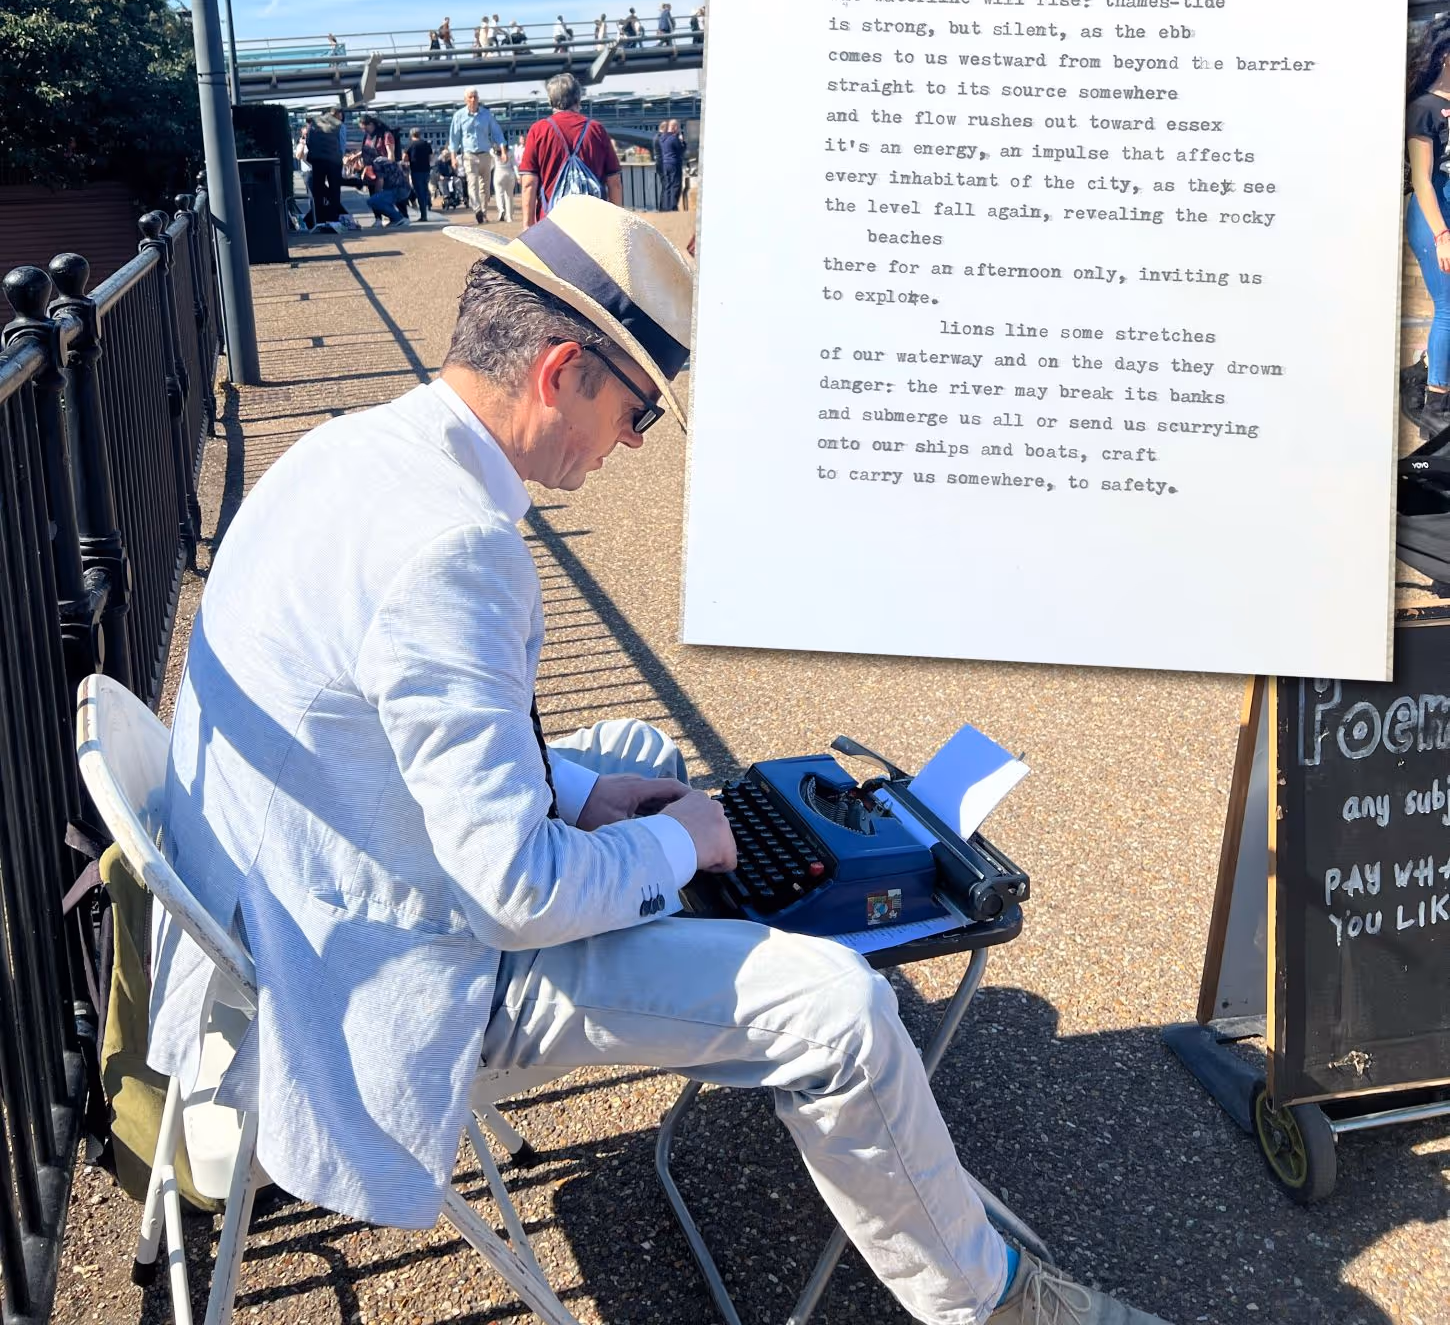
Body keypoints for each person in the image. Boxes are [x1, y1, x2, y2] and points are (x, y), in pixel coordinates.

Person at [146, 195, 1170, 1325]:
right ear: (562, 368)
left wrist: (601, 801)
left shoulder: (351, 451)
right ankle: (996, 1303)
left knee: (642, 761)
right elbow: (513, 891)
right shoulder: (456, 549)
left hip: (287, 904)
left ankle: (724, 928)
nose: (631, 444)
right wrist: (670, 839)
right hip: (382, 973)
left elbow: (401, 739)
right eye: (636, 410)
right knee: (835, 1007)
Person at [1407, 17, 1450, 431]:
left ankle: (1423, 368)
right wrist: (1442, 235)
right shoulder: (1423, 107)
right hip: (1433, 215)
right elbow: (1422, 179)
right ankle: (1435, 407)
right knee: (1448, 308)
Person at [518, 71, 622, 227]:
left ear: (550, 100)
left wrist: (528, 226)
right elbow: (614, 182)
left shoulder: (538, 130)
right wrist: (616, 225)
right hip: (594, 224)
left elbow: (529, 184)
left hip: (552, 224)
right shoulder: (596, 129)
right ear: (578, 98)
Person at [448, 87, 507, 225]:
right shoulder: (459, 116)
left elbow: (497, 133)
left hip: (485, 154)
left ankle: (484, 212)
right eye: (470, 97)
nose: (473, 99)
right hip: (469, 155)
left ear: (478, 98)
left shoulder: (486, 115)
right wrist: (453, 157)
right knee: (472, 183)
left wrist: (503, 150)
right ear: (465, 99)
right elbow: (454, 138)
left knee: (485, 187)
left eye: (475, 96)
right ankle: (477, 209)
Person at [303, 110, 345, 233]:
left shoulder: (313, 125)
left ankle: (320, 222)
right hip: (334, 162)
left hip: (318, 161)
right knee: (334, 192)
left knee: (318, 193)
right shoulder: (338, 125)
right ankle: (334, 221)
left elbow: (309, 142)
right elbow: (342, 144)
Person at [344, 150, 410, 226]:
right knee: (383, 200)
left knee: (372, 201)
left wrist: (377, 195)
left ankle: (398, 218)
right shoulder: (381, 159)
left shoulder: (376, 163)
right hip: (404, 188)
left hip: (398, 189)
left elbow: (380, 181)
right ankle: (396, 219)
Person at [404, 129, 433, 223]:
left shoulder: (410, 145)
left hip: (416, 171)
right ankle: (428, 206)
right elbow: (430, 158)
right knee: (425, 190)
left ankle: (423, 215)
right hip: (426, 170)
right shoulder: (426, 144)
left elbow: (404, 158)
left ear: (411, 134)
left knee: (419, 192)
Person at [658, 118, 685, 212]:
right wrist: (682, 141)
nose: (678, 129)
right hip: (674, 163)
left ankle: (666, 207)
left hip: (665, 164)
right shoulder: (674, 138)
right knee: (675, 185)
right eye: (677, 127)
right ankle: (673, 207)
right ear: (674, 127)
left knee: (667, 186)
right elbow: (681, 150)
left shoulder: (662, 138)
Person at [491, 141, 518, 223]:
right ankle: (509, 216)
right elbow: (514, 164)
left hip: (498, 173)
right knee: (509, 196)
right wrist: (518, 175)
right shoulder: (511, 152)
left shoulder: (493, 152)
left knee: (499, 194)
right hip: (509, 173)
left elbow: (491, 165)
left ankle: (501, 210)